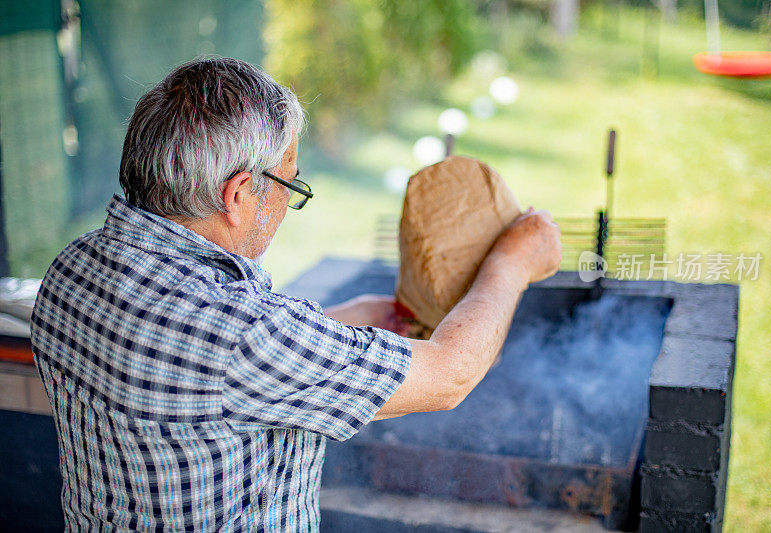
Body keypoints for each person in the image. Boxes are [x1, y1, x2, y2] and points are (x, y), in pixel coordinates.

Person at [30, 57, 561, 532]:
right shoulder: (243, 336)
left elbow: (184, 372)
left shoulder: (71, 270)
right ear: (237, 195)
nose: (288, 202)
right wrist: (511, 263)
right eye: (290, 184)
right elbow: (450, 375)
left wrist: (334, 324)